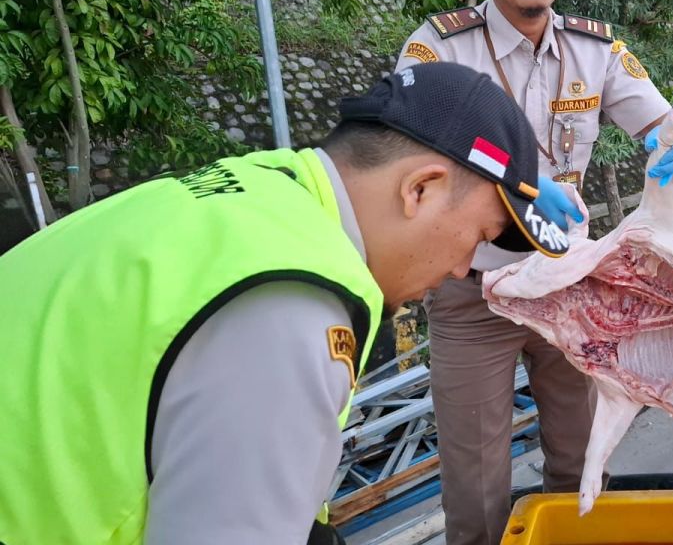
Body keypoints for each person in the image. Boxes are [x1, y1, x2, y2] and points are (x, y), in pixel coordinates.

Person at [0, 62, 580, 545]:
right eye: (477, 237)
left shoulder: (255, 188)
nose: (461, 269)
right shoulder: (294, 311)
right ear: (419, 189)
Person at [394, 0, 673, 545]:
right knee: (475, 485)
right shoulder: (438, 48)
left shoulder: (596, 51)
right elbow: (413, 153)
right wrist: (518, 181)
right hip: (473, 290)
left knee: (584, 459)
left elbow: (660, 124)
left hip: (569, 286)